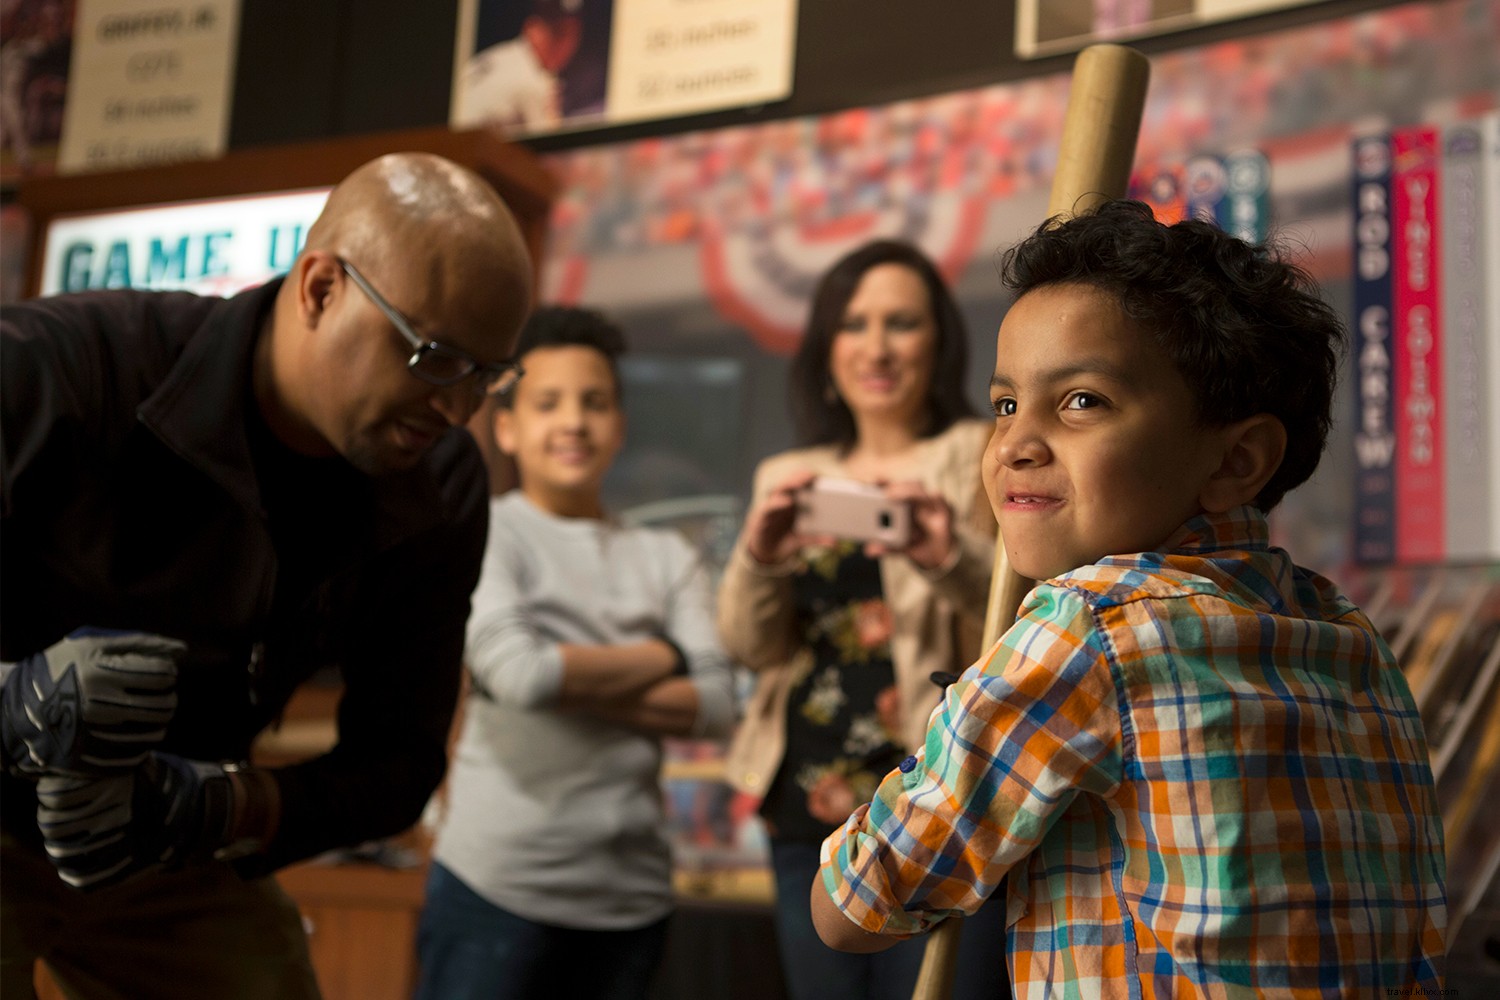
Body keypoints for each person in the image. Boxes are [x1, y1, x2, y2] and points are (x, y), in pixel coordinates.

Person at [812, 200, 1448, 994]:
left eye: (1082, 400)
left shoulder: (1091, 626)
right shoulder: (1346, 632)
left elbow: (854, 904)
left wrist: (958, 720)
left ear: (1236, 459)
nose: (1014, 442)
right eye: (1006, 403)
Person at [1, 151, 533, 999]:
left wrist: (219, 806)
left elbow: (398, 760)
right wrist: (14, 704)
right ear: (321, 288)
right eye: (434, 356)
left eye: (486, 376)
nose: (458, 410)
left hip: (163, 844)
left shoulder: (439, 484)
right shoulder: (58, 370)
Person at [416, 306, 737, 1000]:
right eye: (548, 403)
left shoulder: (665, 555)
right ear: (507, 426)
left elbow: (716, 706)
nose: (573, 422)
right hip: (495, 885)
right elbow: (521, 676)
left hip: (632, 898)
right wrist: (665, 655)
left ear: (619, 427)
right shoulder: (488, 532)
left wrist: (567, 673)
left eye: (594, 403)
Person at [717, 240, 1009, 1000]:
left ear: (938, 341)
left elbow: (1019, 629)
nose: (876, 347)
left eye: (902, 322)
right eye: (854, 325)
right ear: (825, 348)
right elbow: (749, 646)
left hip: (936, 804)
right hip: (804, 807)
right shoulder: (787, 475)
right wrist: (758, 556)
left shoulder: (981, 454)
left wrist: (943, 554)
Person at [454, 0, 583, 134]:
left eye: (573, 35)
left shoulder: (500, 55)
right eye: (558, 33)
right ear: (531, 28)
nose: (566, 45)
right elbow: (549, 146)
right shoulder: (531, 82)